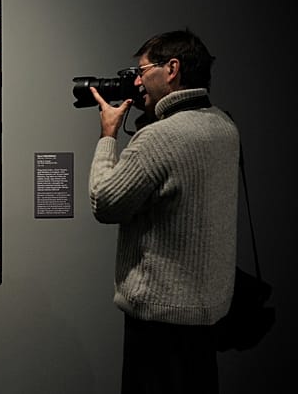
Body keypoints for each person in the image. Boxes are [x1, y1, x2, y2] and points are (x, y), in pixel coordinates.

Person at [88, 29, 239, 394]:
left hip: (160, 321)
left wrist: (108, 135)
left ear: (172, 69)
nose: (137, 81)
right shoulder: (224, 126)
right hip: (205, 316)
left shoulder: (161, 138)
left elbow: (105, 202)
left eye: (142, 71)